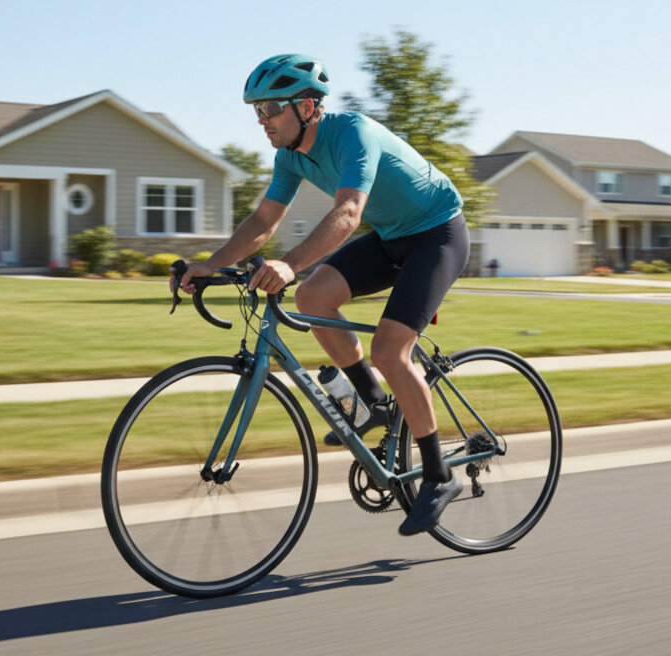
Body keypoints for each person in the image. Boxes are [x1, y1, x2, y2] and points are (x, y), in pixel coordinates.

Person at [179, 54, 470, 536]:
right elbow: (263, 220)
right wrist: (210, 264)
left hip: (437, 234)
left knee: (389, 350)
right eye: (257, 111)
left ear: (308, 106)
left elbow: (349, 212)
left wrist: (289, 264)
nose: (262, 120)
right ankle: (374, 404)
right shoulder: (290, 157)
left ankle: (439, 476)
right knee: (312, 298)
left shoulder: (354, 133)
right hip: (391, 236)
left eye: (271, 108)